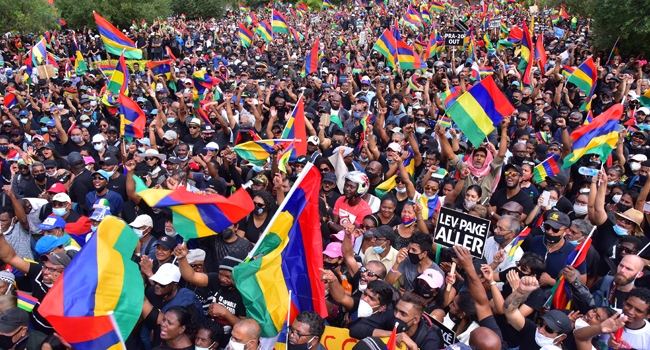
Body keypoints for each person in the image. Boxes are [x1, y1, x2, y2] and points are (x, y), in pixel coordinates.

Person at [349, 290, 443, 349]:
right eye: (396, 310)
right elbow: (355, 329)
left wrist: (413, 347)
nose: (397, 315)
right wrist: (390, 334)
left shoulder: (430, 338)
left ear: (416, 320)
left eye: (403, 314)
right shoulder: (391, 315)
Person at [504, 276, 573, 350]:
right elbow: (510, 312)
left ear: (561, 337)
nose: (541, 330)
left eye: (549, 329)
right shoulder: (532, 330)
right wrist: (521, 290)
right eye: (541, 324)